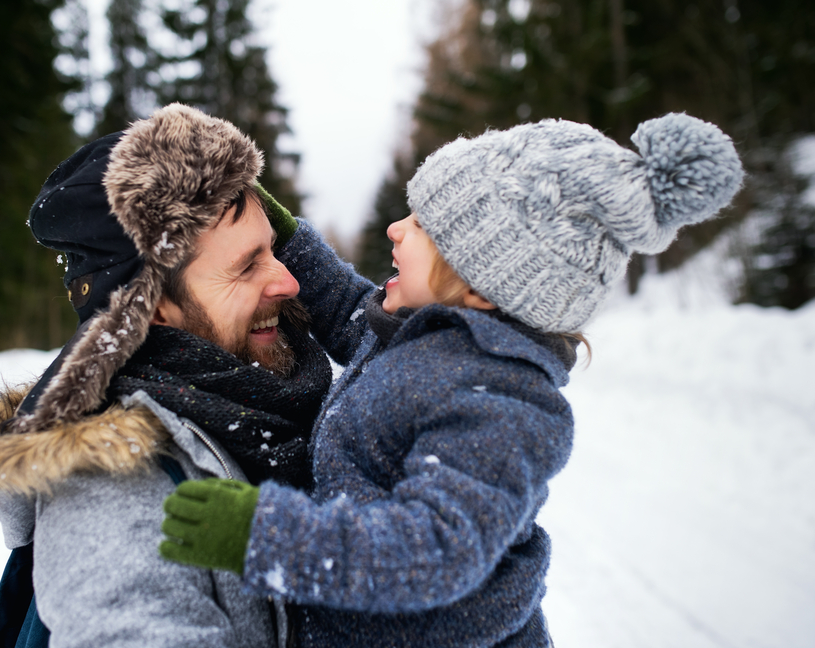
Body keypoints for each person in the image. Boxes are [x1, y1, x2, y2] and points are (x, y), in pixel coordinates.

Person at [160, 113, 744, 647]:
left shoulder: (502, 402)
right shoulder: (424, 338)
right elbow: (344, 308)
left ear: (482, 285)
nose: (394, 228)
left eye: (420, 225)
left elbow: (434, 550)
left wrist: (269, 538)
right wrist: (286, 242)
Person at [0, 103, 332, 647]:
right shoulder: (118, 496)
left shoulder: (297, 411)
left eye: (273, 250)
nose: (289, 282)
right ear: (150, 308)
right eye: (246, 266)